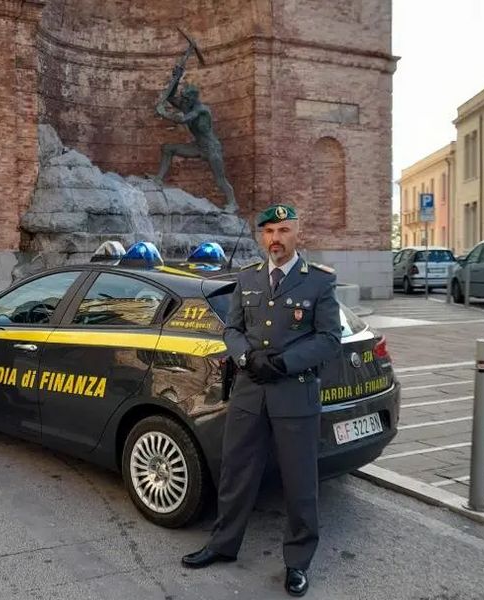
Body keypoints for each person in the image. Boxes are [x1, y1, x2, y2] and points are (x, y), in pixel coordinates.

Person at [181, 204, 341, 597]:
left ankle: (298, 561)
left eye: (283, 230)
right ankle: (223, 545)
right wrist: (246, 357)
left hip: (294, 394)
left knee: (299, 483)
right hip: (250, 392)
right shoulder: (248, 277)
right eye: (269, 232)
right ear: (261, 237)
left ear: (297, 233)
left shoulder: (318, 282)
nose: (275, 239)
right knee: (236, 473)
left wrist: (285, 363)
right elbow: (232, 328)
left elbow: (329, 339)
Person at [153, 65, 238, 213]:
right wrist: (176, 79)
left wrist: (163, 113)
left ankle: (233, 203)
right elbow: (171, 97)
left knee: (220, 179)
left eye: (186, 98)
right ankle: (158, 178)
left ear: (194, 98)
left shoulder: (201, 110)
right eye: (183, 98)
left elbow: (183, 120)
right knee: (168, 148)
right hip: (198, 146)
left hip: (211, 148)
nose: (183, 101)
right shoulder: (187, 105)